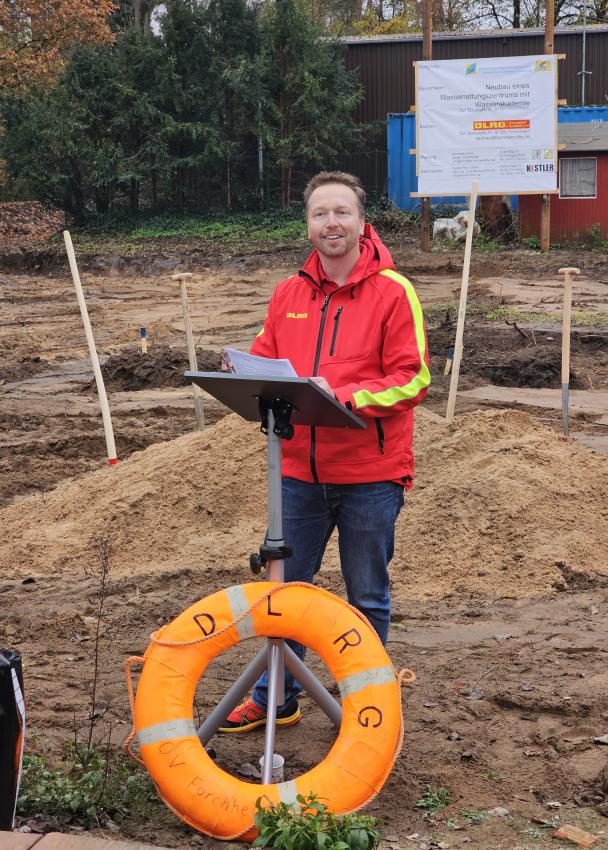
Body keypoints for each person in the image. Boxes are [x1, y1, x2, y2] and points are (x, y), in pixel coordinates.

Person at [219, 171, 430, 732]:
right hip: (296, 474)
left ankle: (366, 703)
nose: (330, 223)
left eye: (341, 212)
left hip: (371, 473)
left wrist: (349, 396)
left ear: (362, 222)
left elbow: (413, 380)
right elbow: (268, 360)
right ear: (308, 224)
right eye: (320, 214)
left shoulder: (393, 291)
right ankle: (275, 698)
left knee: (367, 595)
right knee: (285, 592)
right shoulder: (289, 294)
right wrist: (242, 370)